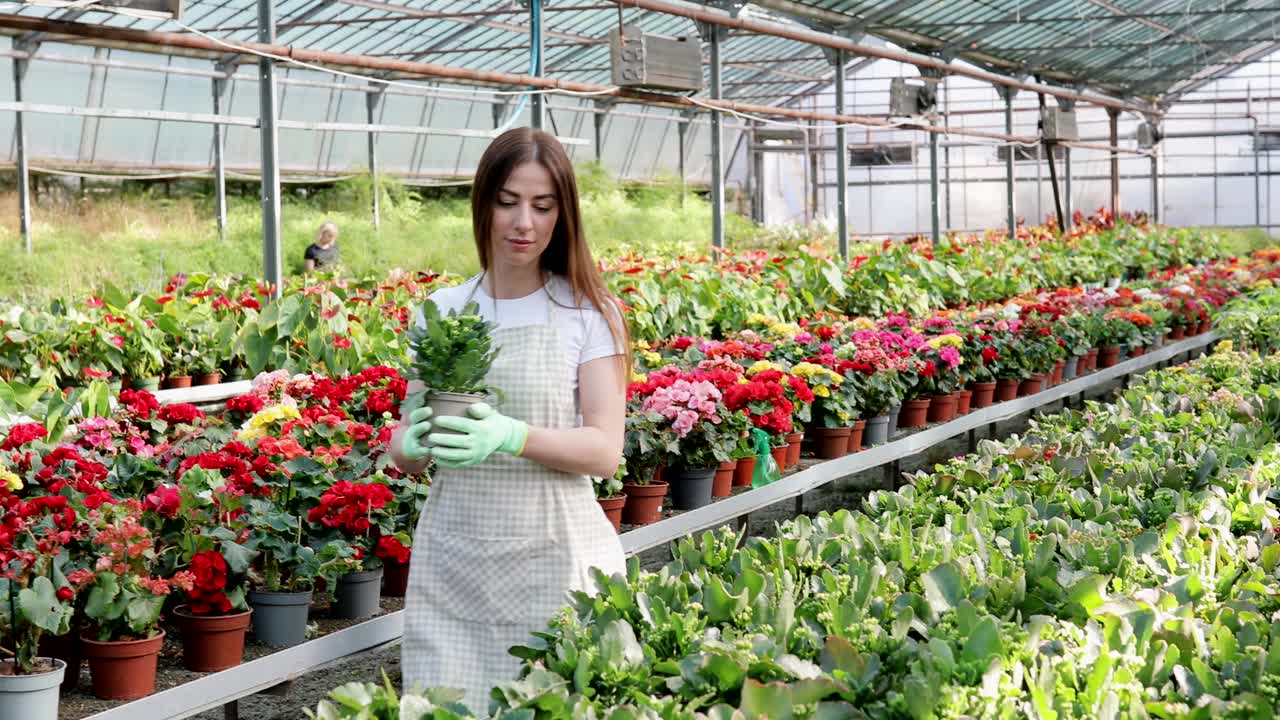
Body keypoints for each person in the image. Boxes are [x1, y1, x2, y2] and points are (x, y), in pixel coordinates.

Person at [391, 128, 630, 714]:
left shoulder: (587, 312)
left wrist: (511, 435)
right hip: (455, 567)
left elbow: (604, 451)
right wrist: (410, 441)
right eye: (508, 202)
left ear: (562, 215)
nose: (524, 222)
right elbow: (407, 446)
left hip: (555, 561)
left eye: (543, 206)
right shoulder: (444, 310)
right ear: (483, 204)